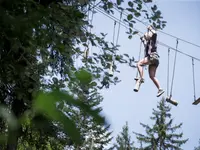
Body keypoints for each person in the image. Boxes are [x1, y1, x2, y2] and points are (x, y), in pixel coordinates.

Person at [137, 25, 165, 97]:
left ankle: (141, 78)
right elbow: (144, 42)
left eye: (146, 35)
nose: (145, 35)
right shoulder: (147, 43)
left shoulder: (152, 40)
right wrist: (142, 38)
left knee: (139, 64)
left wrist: (150, 29)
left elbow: (155, 33)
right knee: (152, 76)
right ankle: (160, 88)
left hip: (152, 57)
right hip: (155, 61)